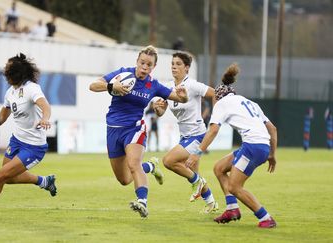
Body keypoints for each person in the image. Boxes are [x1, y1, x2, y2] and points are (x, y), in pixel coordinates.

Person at [89, 45, 188, 218]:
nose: (144, 67)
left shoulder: (153, 85)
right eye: (142, 62)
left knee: (134, 164)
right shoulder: (122, 74)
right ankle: (150, 166)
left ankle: (142, 202)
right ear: (137, 61)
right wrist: (112, 86)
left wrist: (183, 95)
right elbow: (93, 85)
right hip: (113, 129)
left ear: (153, 67)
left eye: (149, 64)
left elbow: (179, 98)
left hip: (135, 128)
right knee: (125, 179)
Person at [0, 53, 57, 220]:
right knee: (9, 178)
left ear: (15, 74)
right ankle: (44, 181)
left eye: (7, 71)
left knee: (1, 175)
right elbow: (0, 118)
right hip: (16, 141)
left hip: (34, 147)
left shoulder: (32, 89)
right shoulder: (10, 92)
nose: (5, 75)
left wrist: (45, 118)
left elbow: (45, 106)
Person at [187, 63, 278, 228]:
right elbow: (272, 129)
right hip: (260, 146)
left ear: (218, 97)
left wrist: (197, 153)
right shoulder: (248, 102)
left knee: (235, 187)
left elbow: (213, 130)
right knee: (219, 168)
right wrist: (272, 154)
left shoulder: (222, 104)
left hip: (252, 147)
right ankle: (232, 209)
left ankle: (265, 217)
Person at [153, 51, 218, 213]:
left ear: (187, 68)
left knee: (168, 161)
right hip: (185, 137)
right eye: (172, 64)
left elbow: (215, 93)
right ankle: (212, 203)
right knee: (194, 175)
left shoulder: (193, 85)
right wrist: (158, 109)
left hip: (198, 135)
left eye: (178, 64)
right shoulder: (168, 87)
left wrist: (216, 119)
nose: (174, 67)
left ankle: (199, 183)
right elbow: (161, 112)